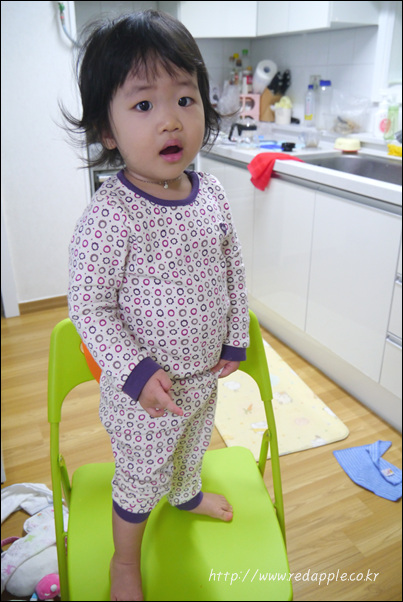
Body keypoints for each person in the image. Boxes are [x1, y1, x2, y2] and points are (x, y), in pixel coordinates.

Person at [66, 9, 249, 601]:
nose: (171, 119)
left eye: (185, 99)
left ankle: (187, 493)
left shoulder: (212, 193)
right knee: (142, 476)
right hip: (144, 394)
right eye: (144, 104)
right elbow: (89, 308)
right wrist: (135, 372)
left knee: (195, 446)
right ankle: (125, 560)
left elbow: (232, 268)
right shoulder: (111, 214)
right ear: (108, 130)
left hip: (203, 376)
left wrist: (235, 334)